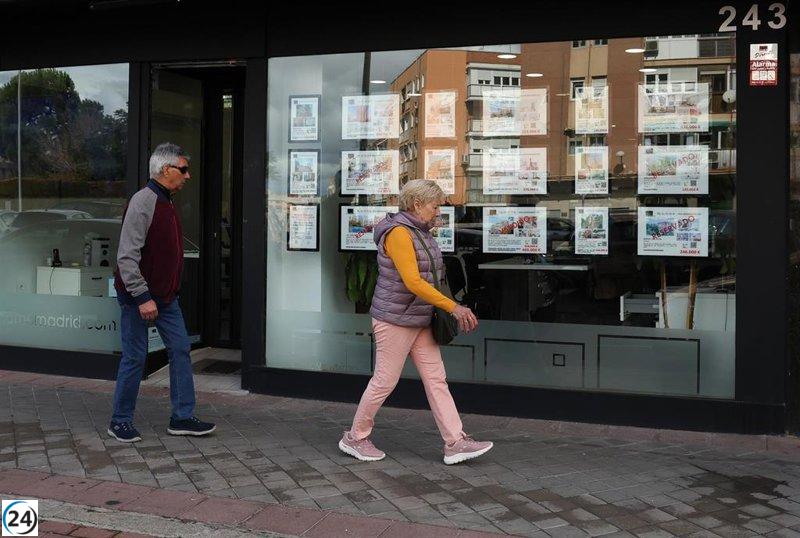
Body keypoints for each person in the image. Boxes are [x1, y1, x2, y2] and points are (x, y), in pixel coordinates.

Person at [339, 179, 493, 465]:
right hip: (396, 319)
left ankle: (455, 442)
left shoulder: (420, 232)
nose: (438, 213)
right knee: (385, 380)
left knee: (436, 380)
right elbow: (413, 281)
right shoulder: (398, 233)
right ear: (417, 204)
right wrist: (453, 308)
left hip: (420, 317)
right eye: (435, 207)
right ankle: (355, 437)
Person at [108, 142, 215, 442]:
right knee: (135, 357)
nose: (187, 175)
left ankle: (182, 417)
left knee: (181, 350)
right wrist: (142, 297)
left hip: (166, 299)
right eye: (183, 169)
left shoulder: (166, 201)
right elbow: (127, 256)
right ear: (166, 170)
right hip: (138, 298)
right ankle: (120, 421)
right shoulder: (144, 201)